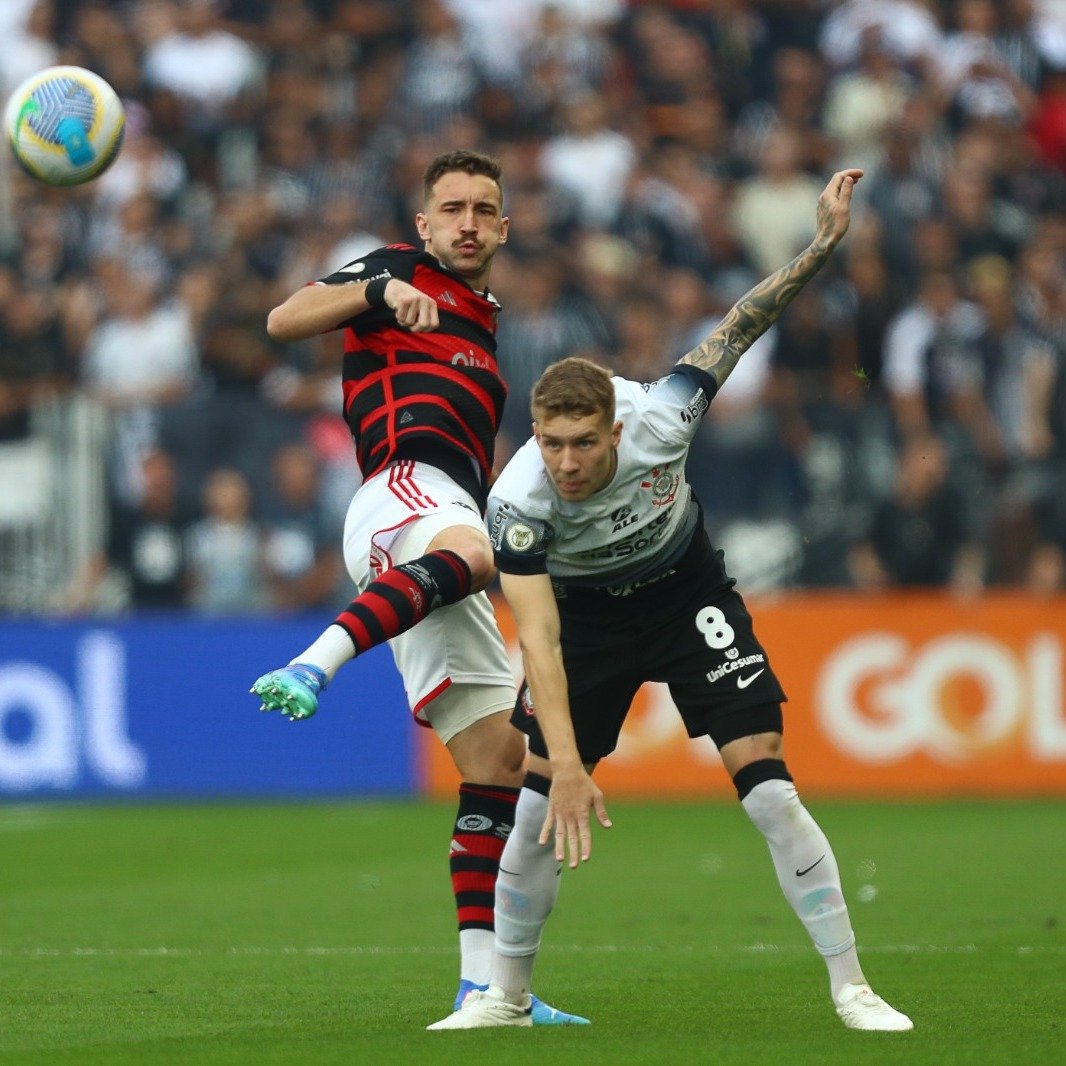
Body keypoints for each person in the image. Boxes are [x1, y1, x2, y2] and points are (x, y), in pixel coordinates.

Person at [430, 168, 914, 1032]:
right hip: (586, 619)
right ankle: (504, 995)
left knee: (768, 788)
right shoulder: (517, 503)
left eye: (583, 445)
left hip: (686, 593)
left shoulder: (664, 414)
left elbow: (746, 321)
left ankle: (852, 986)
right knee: (540, 805)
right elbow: (538, 639)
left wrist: (821, 245)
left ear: (615, 431)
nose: (567, 464)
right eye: (552, 445)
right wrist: (572, 764)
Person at [249, 149, 585, 1025]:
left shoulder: (483, 319)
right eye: (452, 208)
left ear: (504, 227)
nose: (468, 222)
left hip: (444, 518)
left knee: (498, 767)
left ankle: (487, 990)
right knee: (477, 556)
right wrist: (373, 292)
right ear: (425, 222)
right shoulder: (399, 268)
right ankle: (316, 662)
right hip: (401, 488)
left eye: (484, 209)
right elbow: (284, 319)